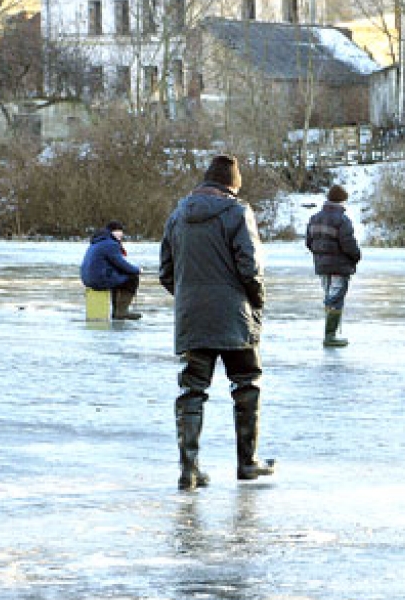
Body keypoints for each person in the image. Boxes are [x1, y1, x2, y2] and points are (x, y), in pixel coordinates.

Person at [159, 154, 276, 491]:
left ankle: (189, 469)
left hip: (192, 318)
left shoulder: (178, 215)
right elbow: (250, 267)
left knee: (192, 390)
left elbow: (166, 272)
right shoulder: (238, 212)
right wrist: (256, 302)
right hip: (234, 315)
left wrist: (190, 298)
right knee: (247, 384)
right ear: (232, 186)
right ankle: (247, 462)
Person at [305, 184, 361, 348]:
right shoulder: (342, 220)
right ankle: (330, 336)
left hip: (322, 266)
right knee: (335, 299)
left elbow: (309, 242)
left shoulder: (314, 218)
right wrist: (356, 256)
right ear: (342, 201)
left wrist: (320, 256)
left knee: (329, 298)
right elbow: (348, 244)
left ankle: (331, 333)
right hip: (339, 267)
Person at [80, 220, 142, 320]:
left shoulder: (98, 241)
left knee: (118, 278)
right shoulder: (111, 244)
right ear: (112, 232)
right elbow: (121, 263)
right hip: (99, 280)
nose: (121, 234)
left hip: (88, 278)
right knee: (132, 278)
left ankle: (117, 311)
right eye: (118, 231)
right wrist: (137, 270)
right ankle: (121, 312)